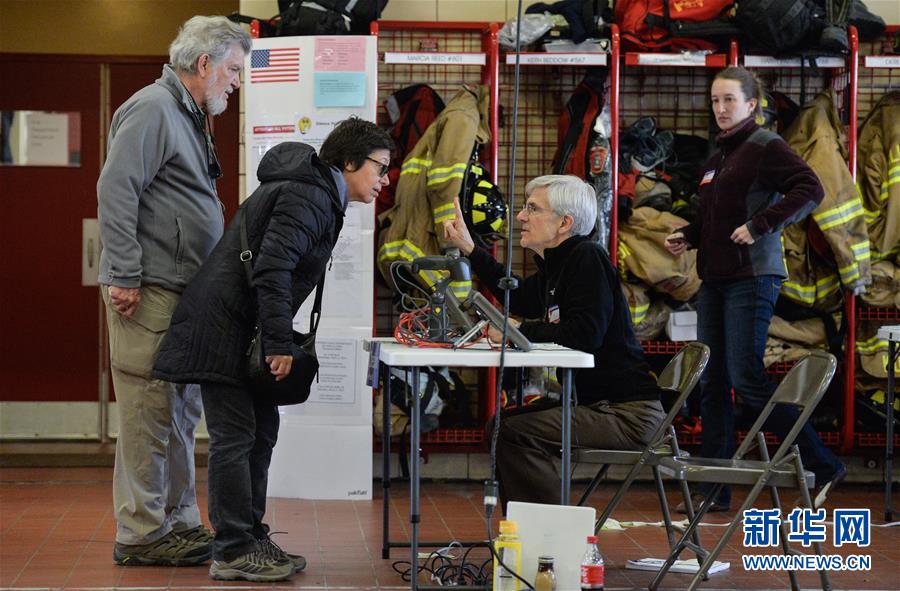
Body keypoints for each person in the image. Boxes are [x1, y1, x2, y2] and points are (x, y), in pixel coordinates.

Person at [152, 118, 394, 582]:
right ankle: (232, 549)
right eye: (379, 168)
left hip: (241, 328)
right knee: (236, 437)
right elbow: (274, 270)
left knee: (260, 433)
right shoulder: (309, 195)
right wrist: (281, 343)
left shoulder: (319, 193)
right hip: (223, 329)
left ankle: (250, 535)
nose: (383, 181)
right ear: (348, 163)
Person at [97, 16, 250, 566]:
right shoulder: (153, 108)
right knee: (147, 412)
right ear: (204, 64)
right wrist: (123, 273)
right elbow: (116, 191)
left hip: (181, 293)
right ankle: (141, 533)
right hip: (150, 290)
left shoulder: (187, 115)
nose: (237, 81)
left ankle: (179, 521)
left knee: (179, 412)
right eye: (233, 69)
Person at [665, 66, 847, 513]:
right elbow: (720, 218)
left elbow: (811, 188)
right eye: (715, 101)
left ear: (752, 105)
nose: (721, 109)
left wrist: (762, 224)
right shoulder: (720, 156)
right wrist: (689, 235)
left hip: (753, 277)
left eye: (729, 100)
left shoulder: (766, 146)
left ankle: (823, 464)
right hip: (717, 278)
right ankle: (715, 487)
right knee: (713, 380)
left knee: (746, 376)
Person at [443, 174, 666, 508]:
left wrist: (518, 329)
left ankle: (547, 540)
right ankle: (529, 534)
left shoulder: (587, 258)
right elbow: (516, 298)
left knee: (511, 432)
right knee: (501, 426)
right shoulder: (560, 265)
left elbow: (584, 335)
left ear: (564, 222)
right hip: (600, 407)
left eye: (533, 208)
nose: (520, 216)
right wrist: (471, 250)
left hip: (627, 415)